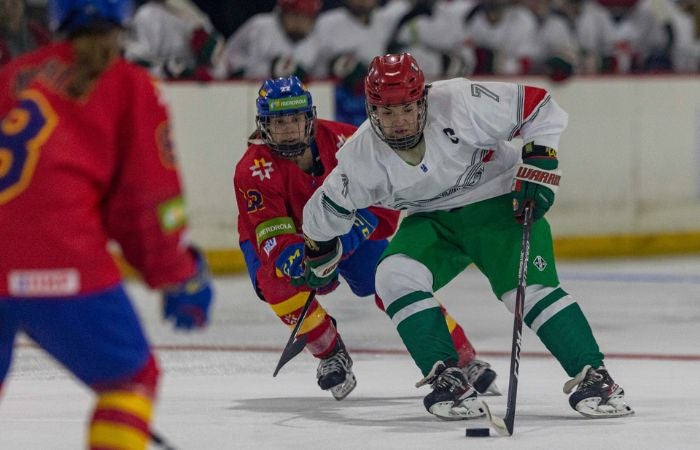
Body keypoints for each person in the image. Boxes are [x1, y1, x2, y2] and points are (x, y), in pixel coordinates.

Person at [300, 52, 634, 420]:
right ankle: (448, 378)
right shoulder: (362, 155)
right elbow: (324, 211)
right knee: (392, 276)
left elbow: (540, 106)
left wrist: (540, 164)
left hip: (499, 202)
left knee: (525, 291)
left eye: (406, 109)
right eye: (386, 112)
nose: (398, 122)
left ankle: (595, 377)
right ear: (371, 109)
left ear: (423, 99)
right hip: (432, 221)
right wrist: (319, 253)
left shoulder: (460, 100)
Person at [0, 1, 213, 449]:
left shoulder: (13, 74)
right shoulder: (128, 85)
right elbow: (149, 201)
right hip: (63, 261)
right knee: (130, 380)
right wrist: (177, 275)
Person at [234, 75, 498, 405]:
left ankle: (462, 356)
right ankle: (329, 351)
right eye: (279, 121)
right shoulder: (252, 170)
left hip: (347, 228)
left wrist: (350, 236)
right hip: (283, 236)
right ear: (264, 125)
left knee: (393, 280)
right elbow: (271, 233)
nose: (288, 129)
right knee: (276, 284)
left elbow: (387, 194)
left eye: (295, 119)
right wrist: (303, 262)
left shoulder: (347, 141)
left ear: (310, 118)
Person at [213, 0, 322, 81]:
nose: (300, 23)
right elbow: (246, 70)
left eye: (307, 17)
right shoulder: (261, 27)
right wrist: (276, 70)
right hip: (234, 86)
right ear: (283, 12)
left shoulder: (313, 41)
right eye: (296, 15)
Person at [0, 0, 51, 67]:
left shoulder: (35, 30)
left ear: (23, 5)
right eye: (2, 5)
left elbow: (52, 54)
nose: (8, 10)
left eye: (14, 3)